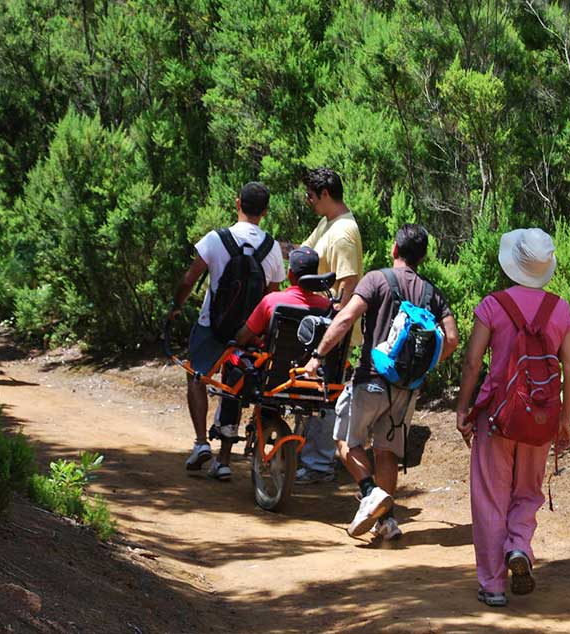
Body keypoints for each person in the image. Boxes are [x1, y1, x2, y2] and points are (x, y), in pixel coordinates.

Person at [304, 224, 458, 541]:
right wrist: (424, 365)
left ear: (394, 249)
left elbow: (346, 319)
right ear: (424, 256)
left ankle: (370, 492)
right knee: (387, 452)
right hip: (407, 388)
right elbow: (452, 339)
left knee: (346, 442)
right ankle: (386, 522)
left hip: (371, 378)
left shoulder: (377, 279)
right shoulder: (432, 293)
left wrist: (318, 355)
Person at [453, 228, 570, 608]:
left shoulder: (493, 305)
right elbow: (569, 367)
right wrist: (565, 419)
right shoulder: (560, 309)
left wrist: (462, 408)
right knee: (528, 492)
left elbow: (473, 362)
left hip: (497, 417)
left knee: (491, 497)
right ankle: (519, 546)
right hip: (540, 419)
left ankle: (492, 586)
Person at [168, 182, 286, 478]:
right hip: (249, 331)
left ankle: (200, 442)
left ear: (237, 204)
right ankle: (223, 461)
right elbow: (273, 297)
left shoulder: (215, 239)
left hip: (212, 325)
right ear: (266, 211)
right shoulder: (272, 248)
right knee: (234, 387)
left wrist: (176, 306)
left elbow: (189, 277)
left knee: (196, 375)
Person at [195, 246, 332, 480]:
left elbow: (242, 337)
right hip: (309, 381)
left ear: (290, 275)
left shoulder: (273, 301)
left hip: (271, 376)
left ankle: (224, 458)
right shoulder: (327, 308)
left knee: (234, 361)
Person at [289, 168, 364, 485]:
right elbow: (303, 253)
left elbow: (348, 285)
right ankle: (309, 457)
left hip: (333, 328)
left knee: (324, 395)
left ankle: (319, 464)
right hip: (319, 323)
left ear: (325, 195)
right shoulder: (327, 223)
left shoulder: (344, 232)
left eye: (310, 196)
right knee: (312, 392)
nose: (307, 201)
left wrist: (336, 329)